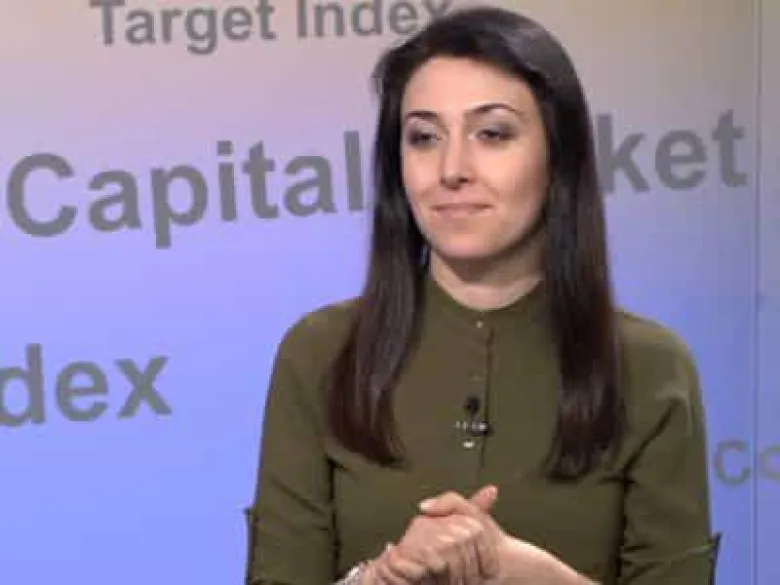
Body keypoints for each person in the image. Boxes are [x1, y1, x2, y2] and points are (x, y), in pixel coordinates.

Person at [245, 5, 719, 584]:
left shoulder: (650, 368)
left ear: (558, 156)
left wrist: (536, 577)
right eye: (424, 137)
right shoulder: (320, 353)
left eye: (492, 134)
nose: (451, 169)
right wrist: (383, 577)